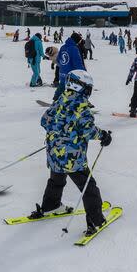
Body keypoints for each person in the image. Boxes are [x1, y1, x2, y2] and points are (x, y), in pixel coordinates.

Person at [29, 70, 113, 236]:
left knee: (56, 180)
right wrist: (103, 135)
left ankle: (50, 205)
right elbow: (88, 131)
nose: (89, 92)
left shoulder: (60, 99)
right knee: (88, 187)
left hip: (54, 153)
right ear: (81, 87)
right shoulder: (81, 105)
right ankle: (96, 220)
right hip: (73, 158)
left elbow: (45, 121)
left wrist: (59, 133)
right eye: (88, 88)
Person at [54, 32, 86, 100]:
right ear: (76, 40)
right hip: (71, 74)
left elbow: (58, 60)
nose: (79, 42)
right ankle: (70, 102)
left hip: (62, 73)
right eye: (79, 41)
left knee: (62, 86)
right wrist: (83, 72)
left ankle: (56, 99)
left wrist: (64, 67)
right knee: (72, 90)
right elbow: (77, 63)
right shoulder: (74, 48)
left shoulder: (63, 47)